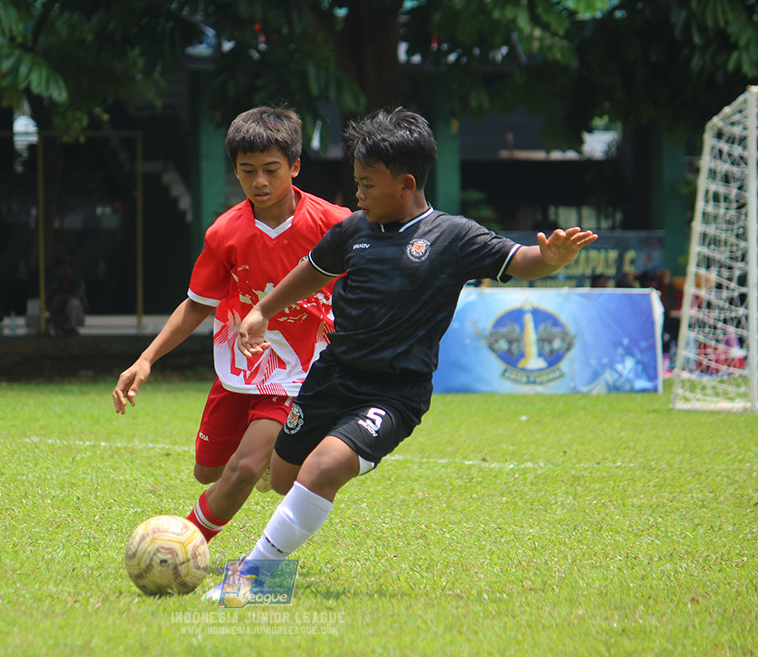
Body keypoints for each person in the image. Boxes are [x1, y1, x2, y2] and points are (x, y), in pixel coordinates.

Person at [223, 108, 598, 593]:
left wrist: (549, 258)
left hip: (394, 393)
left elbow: (520, 260)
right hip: (333, 375)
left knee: (322, 469)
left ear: (405, 183)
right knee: (281, 477)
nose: (357, 194)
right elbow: (313, 269)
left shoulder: (453, 237)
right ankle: (283, 523)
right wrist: (263, 310)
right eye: (355, 182)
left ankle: (255, 578)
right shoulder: (353, 231)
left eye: (366, 183)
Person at [112, 107, 351, 545]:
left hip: (302, 369)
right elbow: (195, 306)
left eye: (271, 170)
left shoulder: (335, 225)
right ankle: (267, 457)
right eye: (247, 171)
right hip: (240, 369)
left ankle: (179, 548)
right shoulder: (225, 233)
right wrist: (146, 359)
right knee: (209, 471)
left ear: (295, 167)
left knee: (244, 469)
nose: (260, 181)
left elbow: (366, 288)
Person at [48, 255, 86, 336]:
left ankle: (71, 327)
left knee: (74, 302)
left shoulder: (76, 281)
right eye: (61, 267)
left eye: (67, 267)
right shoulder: (54, 284)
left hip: (75, 317)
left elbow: (79, 294)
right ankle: (62, 327)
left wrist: (60, 297)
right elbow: (50, 304)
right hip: (59, 318)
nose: (64, 270)